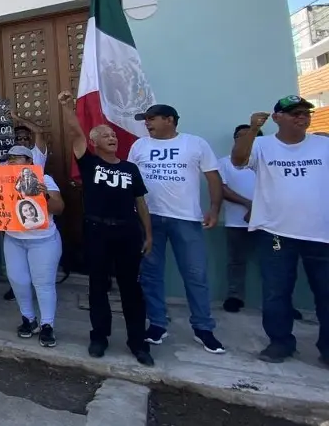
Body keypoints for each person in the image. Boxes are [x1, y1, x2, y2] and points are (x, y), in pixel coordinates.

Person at [231, 96, 329, 366]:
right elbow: (238, 160)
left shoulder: (324, 144)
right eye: (294, 113)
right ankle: (280, 342)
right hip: (276, 233)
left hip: (321, 235)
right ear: (277, 118)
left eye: (305, 113)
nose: (302, 117)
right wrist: (252, 129)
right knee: (276, 292)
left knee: (326, 293)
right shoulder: (261, 145)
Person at [58, 91, 153, 365]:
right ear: (94, 142)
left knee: (131, 290)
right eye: (105, 134)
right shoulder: (89, 163)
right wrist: (66, 107)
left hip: (127, 233)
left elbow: (141, 203)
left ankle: (138, 343)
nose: (112, 138)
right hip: (97, 232)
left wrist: (148, 234)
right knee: (97, 287)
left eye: (113, 135)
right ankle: (99, 337)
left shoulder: (130, 168)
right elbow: (76, 133)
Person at [128, 103, 225, 353]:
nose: (147, 123)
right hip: (149, 220)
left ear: (169, 120)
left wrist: (214, 209)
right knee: (150, 275)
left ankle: (203, 328)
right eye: (145, 119)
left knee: (196, 274)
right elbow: (130, 181)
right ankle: (158, 324)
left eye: (152, 119)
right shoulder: (140, 146)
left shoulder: (195, 144)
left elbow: (213, 178)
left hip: (186, 220)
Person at [1, 145, 64, 347]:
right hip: (13, 239)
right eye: (9, 158)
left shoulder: (44, 179)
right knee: (17, 280)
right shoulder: (2, 181)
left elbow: (59, 208)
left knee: (43, 283)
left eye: (17, 158)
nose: (11, 161)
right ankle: (28, 319)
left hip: (42, 240)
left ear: (29, 162)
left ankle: (47, 325)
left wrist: (44, 196)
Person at [220, 124, 260, 313]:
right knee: (236, 261)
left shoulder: (268, 161)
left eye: (249, 136)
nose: (243, 139)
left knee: (277, 260)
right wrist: (248, 204)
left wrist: (258, 207)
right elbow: (222, 189)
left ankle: (283, 302)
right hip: (236, 223)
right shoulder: (225, 163)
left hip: (270, 225)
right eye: (239, 136)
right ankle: (235, 296)